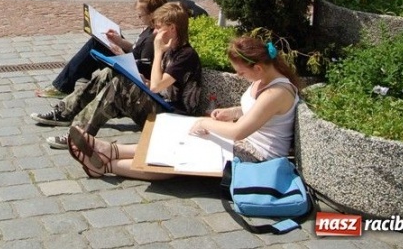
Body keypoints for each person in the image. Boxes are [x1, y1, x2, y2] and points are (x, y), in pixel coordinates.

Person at [66, 36, 301, 180]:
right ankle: (108, 150)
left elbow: (240, 132)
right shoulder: (264, 80)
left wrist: (207, 122)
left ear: (258, 68)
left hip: (257, 157)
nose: (241, 77)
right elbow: (255, 112)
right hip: (243, 144)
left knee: (177, 157)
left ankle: (107, 164)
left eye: (241, 72)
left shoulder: (276, 93)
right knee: (180, 137)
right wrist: (232, 112)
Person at [31, 2, 202, 149]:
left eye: (158, 27)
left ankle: (79, 135)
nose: (155, 33)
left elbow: (158, 87)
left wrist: (158, 53)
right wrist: (142, 80)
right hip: (160, 105)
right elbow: (158, 85)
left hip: (173, 118)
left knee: (119, 85)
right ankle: (64, 112)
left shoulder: (185, 55)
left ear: (172, 28)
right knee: (109, 73)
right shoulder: (169, 50)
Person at [36, 0, 208, 99]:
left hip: (137, 72)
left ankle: (65, 86)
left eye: (140, 16)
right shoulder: (150, 30)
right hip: (134, 61)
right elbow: (136, 48)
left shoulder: (155, 38)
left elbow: (144, 69)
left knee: (95, 47)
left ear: (152, 15)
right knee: (99, 42)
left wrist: (120, 53)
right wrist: (120, 41)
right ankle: (71, 83)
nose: (139, 19)